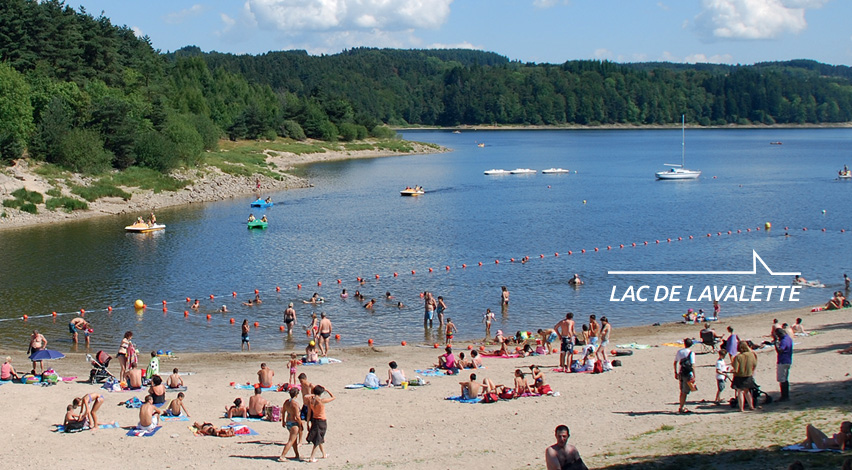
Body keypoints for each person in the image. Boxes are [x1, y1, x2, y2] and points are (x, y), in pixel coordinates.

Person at [304, 385, 335, 462]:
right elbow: (333, 397)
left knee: (320, 437)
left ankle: (324, 454)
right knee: (318, 439)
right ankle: (312, 457)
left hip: (314, 420)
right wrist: (327, 390)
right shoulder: (321, 401)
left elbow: (309, 412)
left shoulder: (311, 400)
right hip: (321, 421)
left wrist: (308, 423)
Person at [732, 340, 758, 412]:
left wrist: (732, 370)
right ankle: (751, 406)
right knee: (747, 391)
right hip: (749, 375)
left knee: (740, 391)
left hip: (740, 376)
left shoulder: (738, 357)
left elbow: (736, 369)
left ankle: (741, 408)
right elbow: (755, 365)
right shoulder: (751, 355)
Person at [279, 388, 303, 462]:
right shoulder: (295, 404)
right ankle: (282, 456)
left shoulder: (287, 402)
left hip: (288, 422)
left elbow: (283, 412)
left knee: (294, 440)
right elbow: (297, 416)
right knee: (291, 440)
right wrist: (301, 424)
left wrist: (283, 421)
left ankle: (297, 454)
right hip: (294, 423)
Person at [674, 338, 695, 414]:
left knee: (682, 390)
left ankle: (682, 405)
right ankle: (681, 407)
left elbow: (675, 362)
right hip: (688, 373)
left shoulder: (680, 352)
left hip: (681, 372)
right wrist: (694, 375)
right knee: (685, 392)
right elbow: (692, 365)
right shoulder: (691, 353)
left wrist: (675, 372)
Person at [775, 327, 793, 402]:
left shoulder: (784, 341)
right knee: (785, 379)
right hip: (788, 360)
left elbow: (780, 350)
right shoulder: (788, 338)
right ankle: (786, 396)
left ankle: (784, 396)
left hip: (783, 361)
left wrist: (776, 343)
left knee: (782, 380)